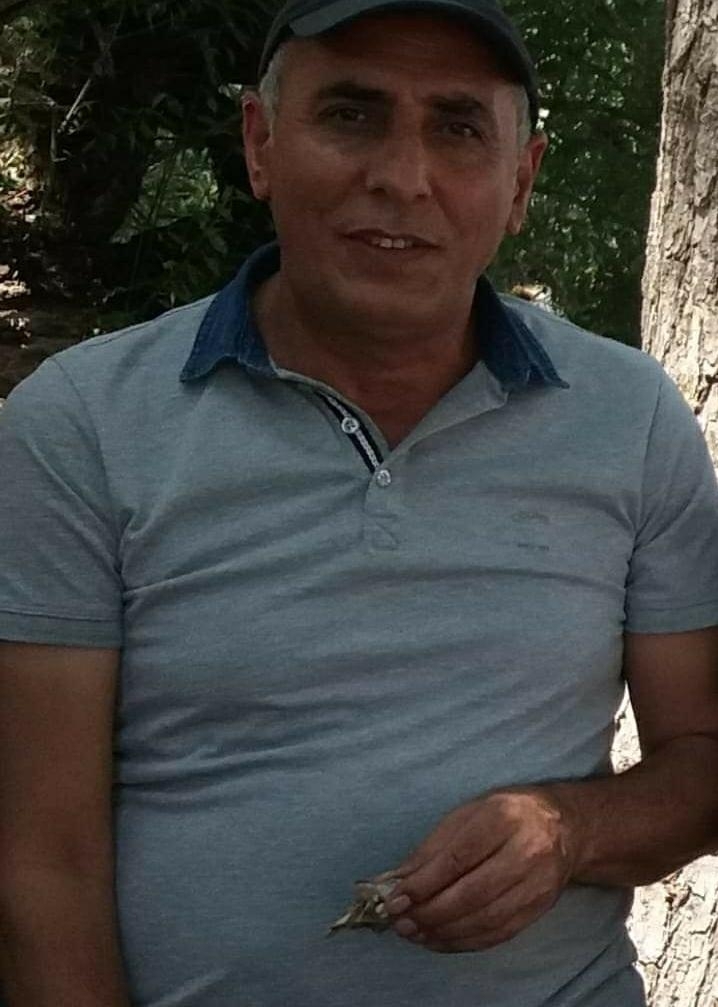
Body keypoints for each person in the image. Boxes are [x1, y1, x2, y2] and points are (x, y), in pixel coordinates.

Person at [1, 0, 717, 1004]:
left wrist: (569, 829)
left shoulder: (628, 417)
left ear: (521, 182)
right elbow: (43, 863)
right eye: (351, 114)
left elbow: (702, 762)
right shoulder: (81, 424)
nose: (401, 176)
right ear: (260, 142)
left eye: (457, 127)